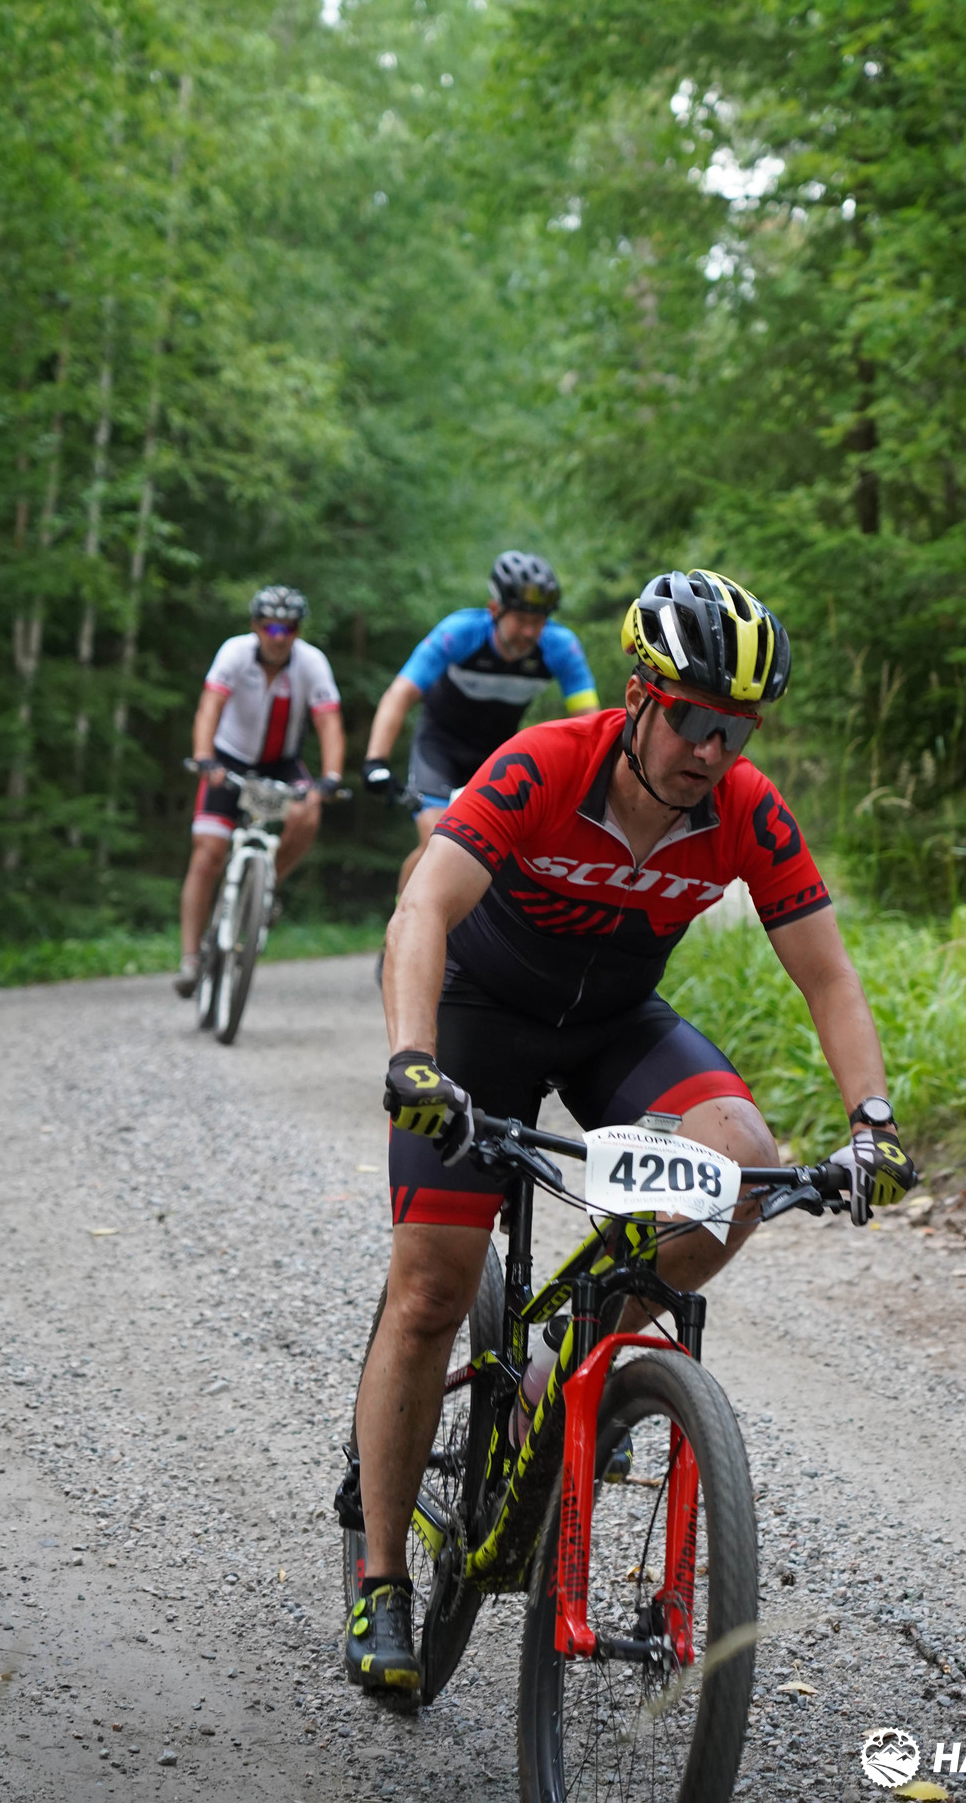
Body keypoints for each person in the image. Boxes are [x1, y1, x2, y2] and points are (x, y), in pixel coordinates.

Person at [344, 567, 915, 1687]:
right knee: (431, 1290)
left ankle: (562, 1366)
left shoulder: (745, 808)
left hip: (612, 1022)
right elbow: (423, 906)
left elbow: (828, 975)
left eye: (736, 727)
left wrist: (873, 1123)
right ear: (641, 696)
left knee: (741, 1166)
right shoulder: (545, 763)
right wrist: (414, 1058)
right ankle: (382, 1578)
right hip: (476, 1011)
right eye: (695, 717)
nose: (713, 747)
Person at [361, 551, 598, 896]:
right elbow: (399, 694)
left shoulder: (560, 647)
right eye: (521, 619)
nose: (530, 631)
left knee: (501, 852)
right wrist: (375, 760)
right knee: (435, 839)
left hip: (495, 754)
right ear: (494, 609)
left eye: (539, 620)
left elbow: (589, 722)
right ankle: (400, 925)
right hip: (439, 747)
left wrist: (595, 778)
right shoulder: (460, 633)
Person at [174, 586, 345, 996]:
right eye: (271, 627)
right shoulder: (234, 653)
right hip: (227, 760)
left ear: (297, 631)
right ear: (255, 626)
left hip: (280, 764)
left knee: (308, 813)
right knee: (207, 855)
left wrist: (331, 777)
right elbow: (210, 706)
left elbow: (328, 722)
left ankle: (265, 887)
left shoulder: (311, 663)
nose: (279, 636)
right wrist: (204, 757)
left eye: (288, 628)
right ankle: (190, 958)